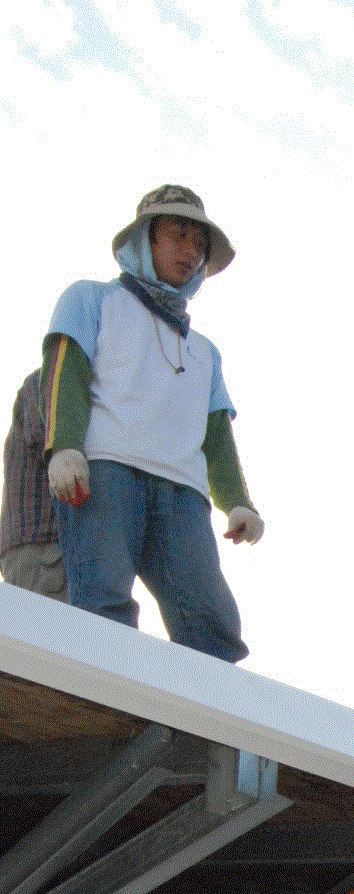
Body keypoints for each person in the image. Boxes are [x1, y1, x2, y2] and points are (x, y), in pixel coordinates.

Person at [42, 184, 263, 661]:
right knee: (103, 607)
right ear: (146, 239)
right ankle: (104, 705)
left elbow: (217, 437)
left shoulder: (205, 352)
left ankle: (205, 713)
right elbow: (66, 374)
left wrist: (237, 503)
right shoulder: (91, 299)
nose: (190, 251)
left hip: (183, 495)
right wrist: (65, 447)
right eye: (178, 235)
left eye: (199, 243)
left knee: (212, 626)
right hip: (107, 473)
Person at [1, 370, 65, 600]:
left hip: (39, 550)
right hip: (43, 548)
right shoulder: (49, 378)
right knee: (55, 623)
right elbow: (51, 440)